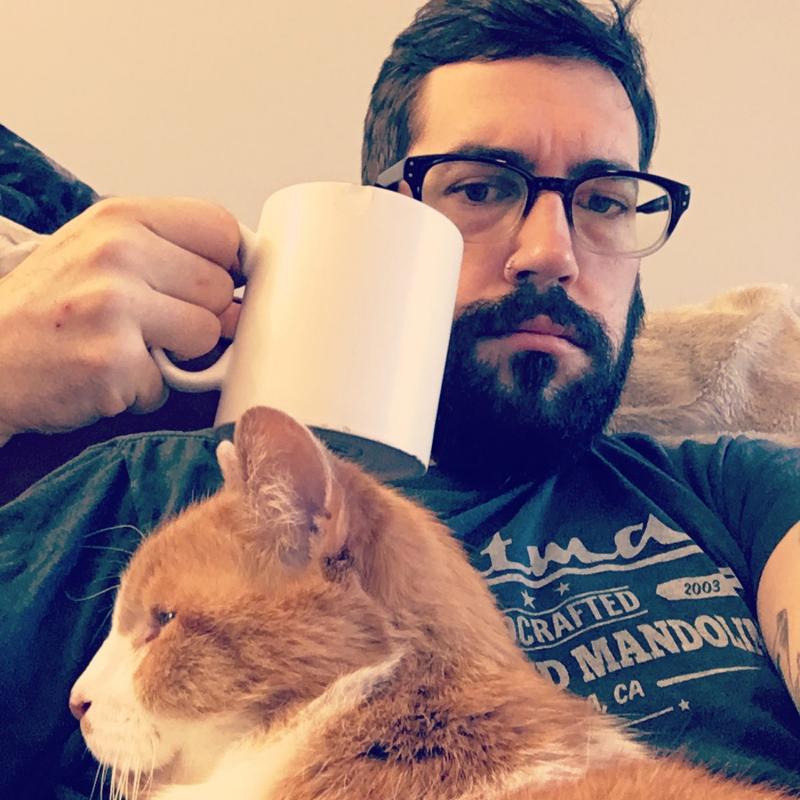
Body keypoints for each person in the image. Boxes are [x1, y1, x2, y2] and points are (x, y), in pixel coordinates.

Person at [1, 0, 798, 798]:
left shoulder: (732, 490)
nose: (551, 251)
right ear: (384, 227)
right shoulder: (150, 490)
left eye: (605, 201)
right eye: (481, 188)